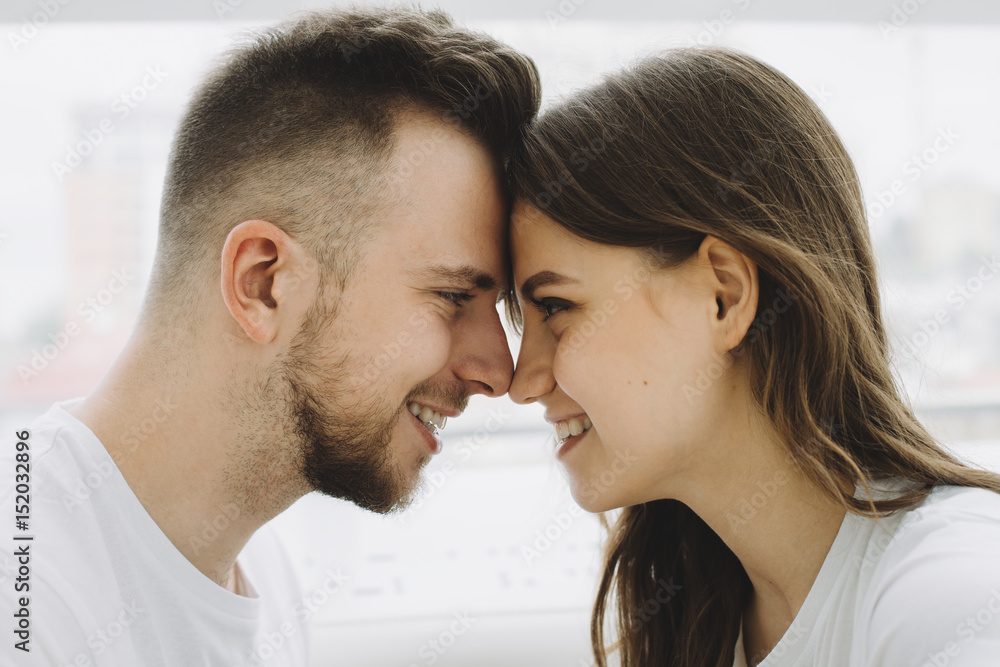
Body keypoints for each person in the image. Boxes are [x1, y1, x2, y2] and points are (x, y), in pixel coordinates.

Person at [0, 7, 539, 665]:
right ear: (264, 282)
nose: (501, 372)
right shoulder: (25, 596)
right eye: (454, 297)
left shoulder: (265, 574)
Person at [505, 47, 1000, 667]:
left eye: (554, 306)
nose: (520, 383)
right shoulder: (703, 618)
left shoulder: (952, 588)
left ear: (725, 294)